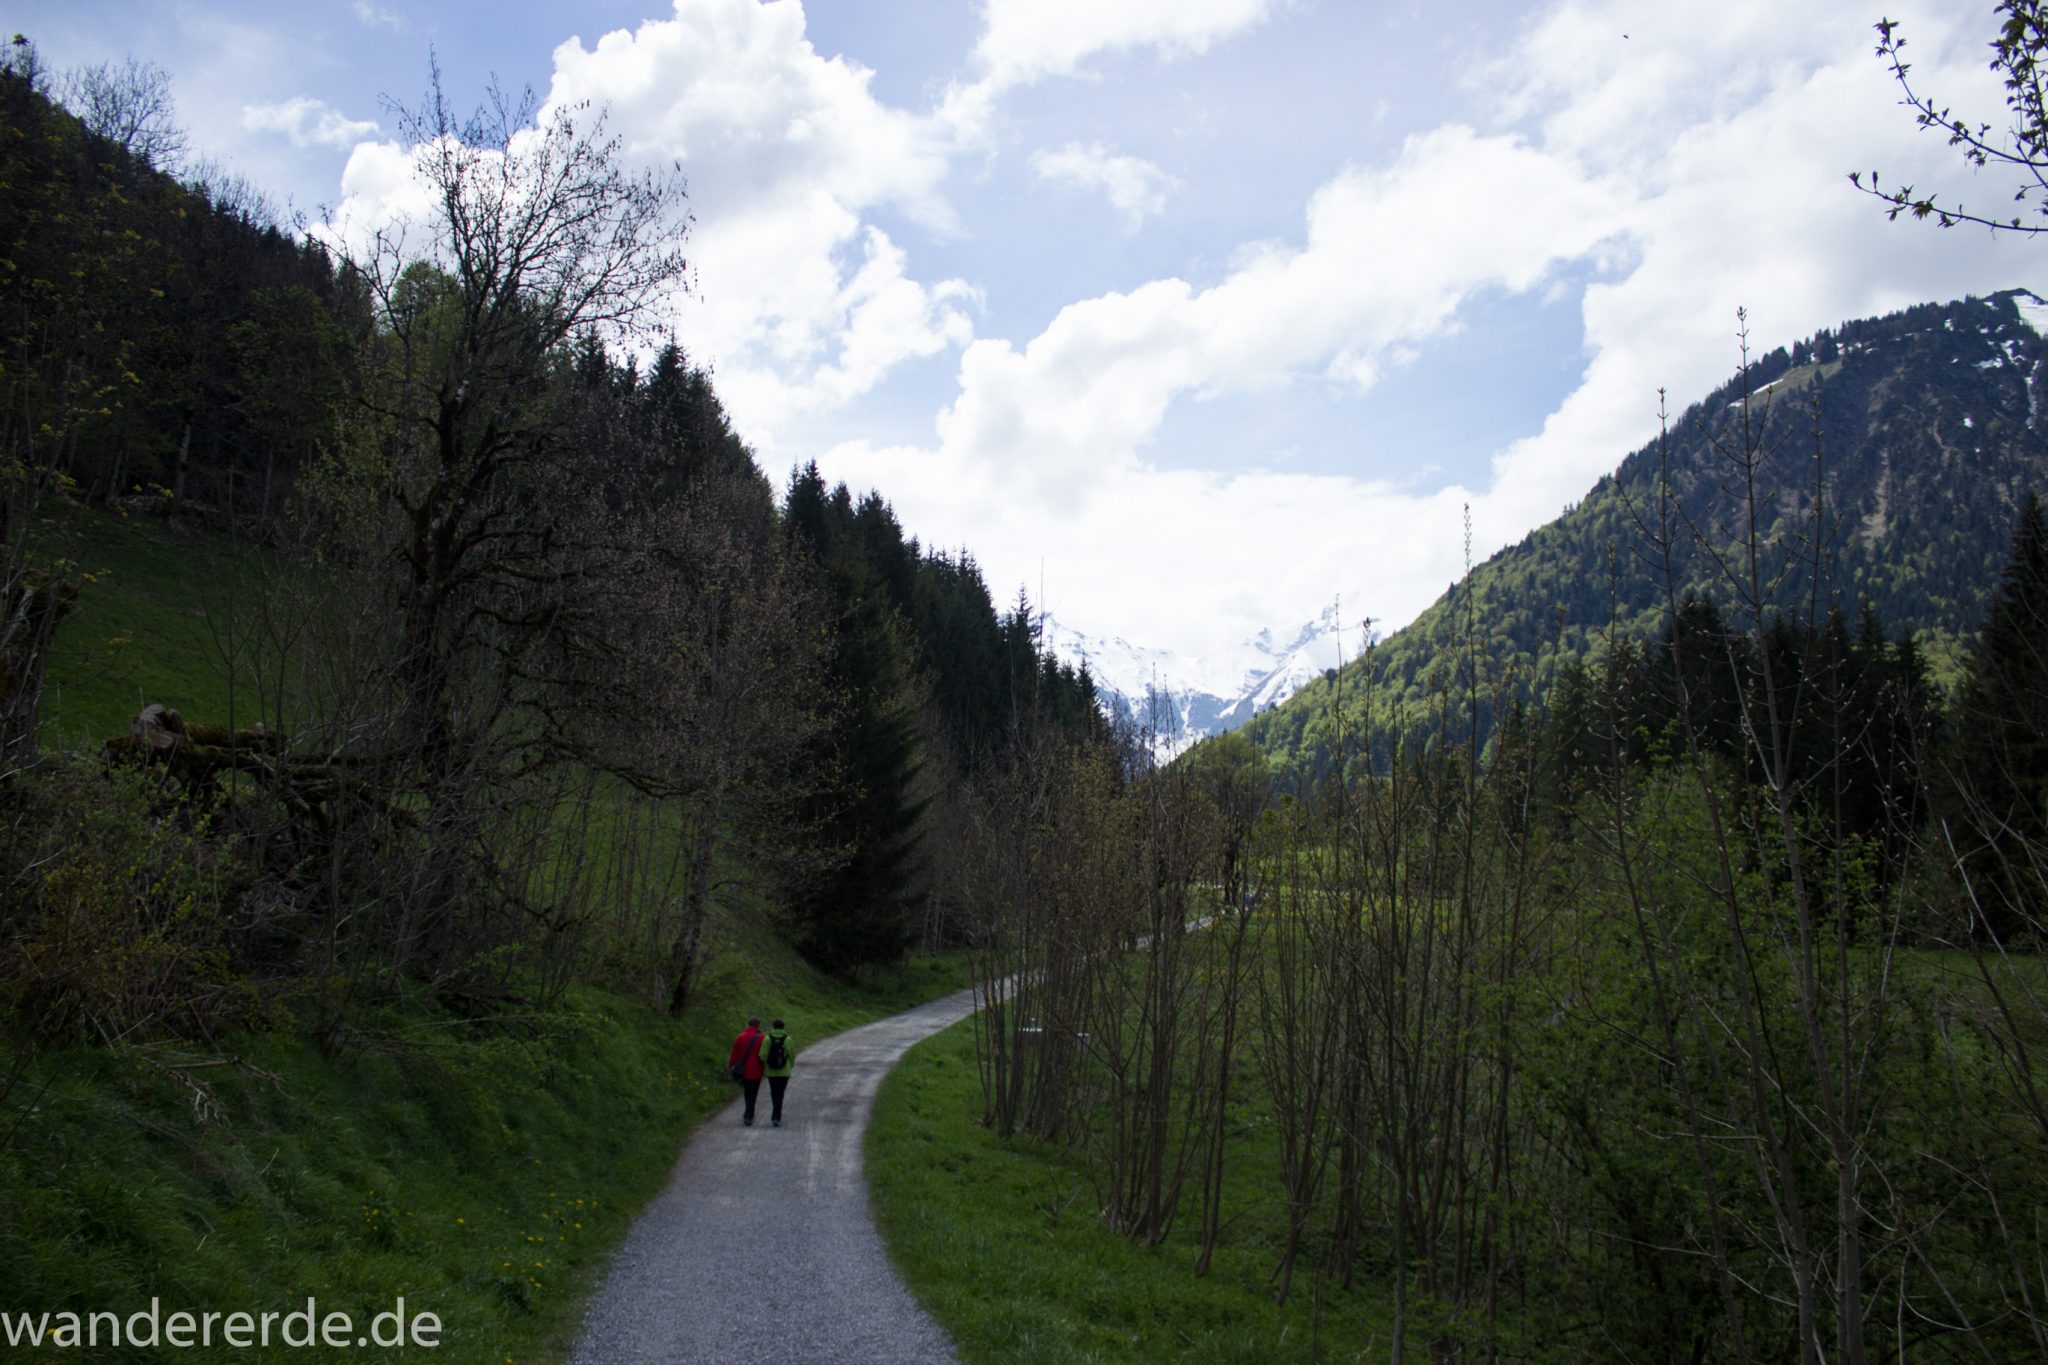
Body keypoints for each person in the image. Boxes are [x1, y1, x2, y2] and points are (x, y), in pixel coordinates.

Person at [727, 1017, 766, 1126]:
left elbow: (734, 1053)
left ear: (748, 1025)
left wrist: (731, 1066)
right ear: (758, 1025)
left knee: (747, 1091)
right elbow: (764, 1055)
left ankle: (748, 1113)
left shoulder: (740, 1037)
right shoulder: (762, 1038)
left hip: (743, 1070)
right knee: (753, 1093)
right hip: (756, 1070)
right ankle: (749, 1114)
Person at [760, 1018, 795, 1127]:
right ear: (783, 1027)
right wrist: (790, 1065)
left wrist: (768, 1063)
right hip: (784, 1071)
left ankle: (775, 1115)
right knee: (781, 1093)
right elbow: (792, 1055)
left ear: (773, 1026)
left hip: (771, 1071)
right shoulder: (788, 1039)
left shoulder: (767, 1039)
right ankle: (777, 1116)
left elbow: (762, 1055)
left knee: (774, 1092)